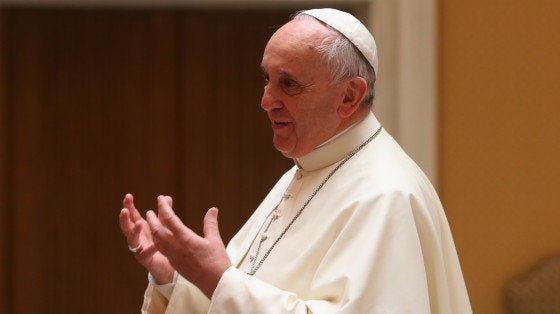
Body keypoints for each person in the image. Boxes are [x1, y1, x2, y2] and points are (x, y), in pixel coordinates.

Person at [119, 8, 472, 314]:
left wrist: (216, 277)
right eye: (267, 79)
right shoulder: (307, 169)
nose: (266, 100)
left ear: (349, 96)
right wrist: (175, 278)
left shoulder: (387, 195)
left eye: (288, 84)